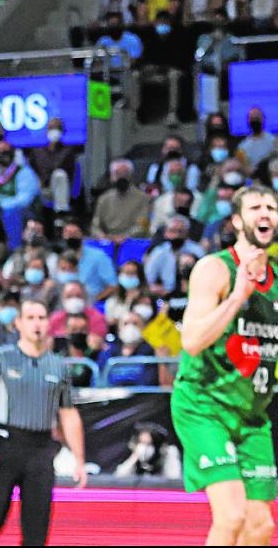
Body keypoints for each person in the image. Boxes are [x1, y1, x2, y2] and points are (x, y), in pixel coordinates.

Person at [173, 185, 278, 545]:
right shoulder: (214, 269)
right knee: (231, 516)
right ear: (236, 221)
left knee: (261, 527)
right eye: (255, 208)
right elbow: (191, 341)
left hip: (252, 412)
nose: (265, 213)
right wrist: (237, 299)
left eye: (272, 207)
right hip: (204, 406)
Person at [0, 298, 87, 546]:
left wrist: (80, 459)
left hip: (41, 449)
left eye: (42, 318)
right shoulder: (1, 359)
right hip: (4, 445)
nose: (37, 324)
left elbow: (68, 413)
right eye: (30, 318)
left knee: (37, 528)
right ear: (18, 323)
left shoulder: (59, 366)